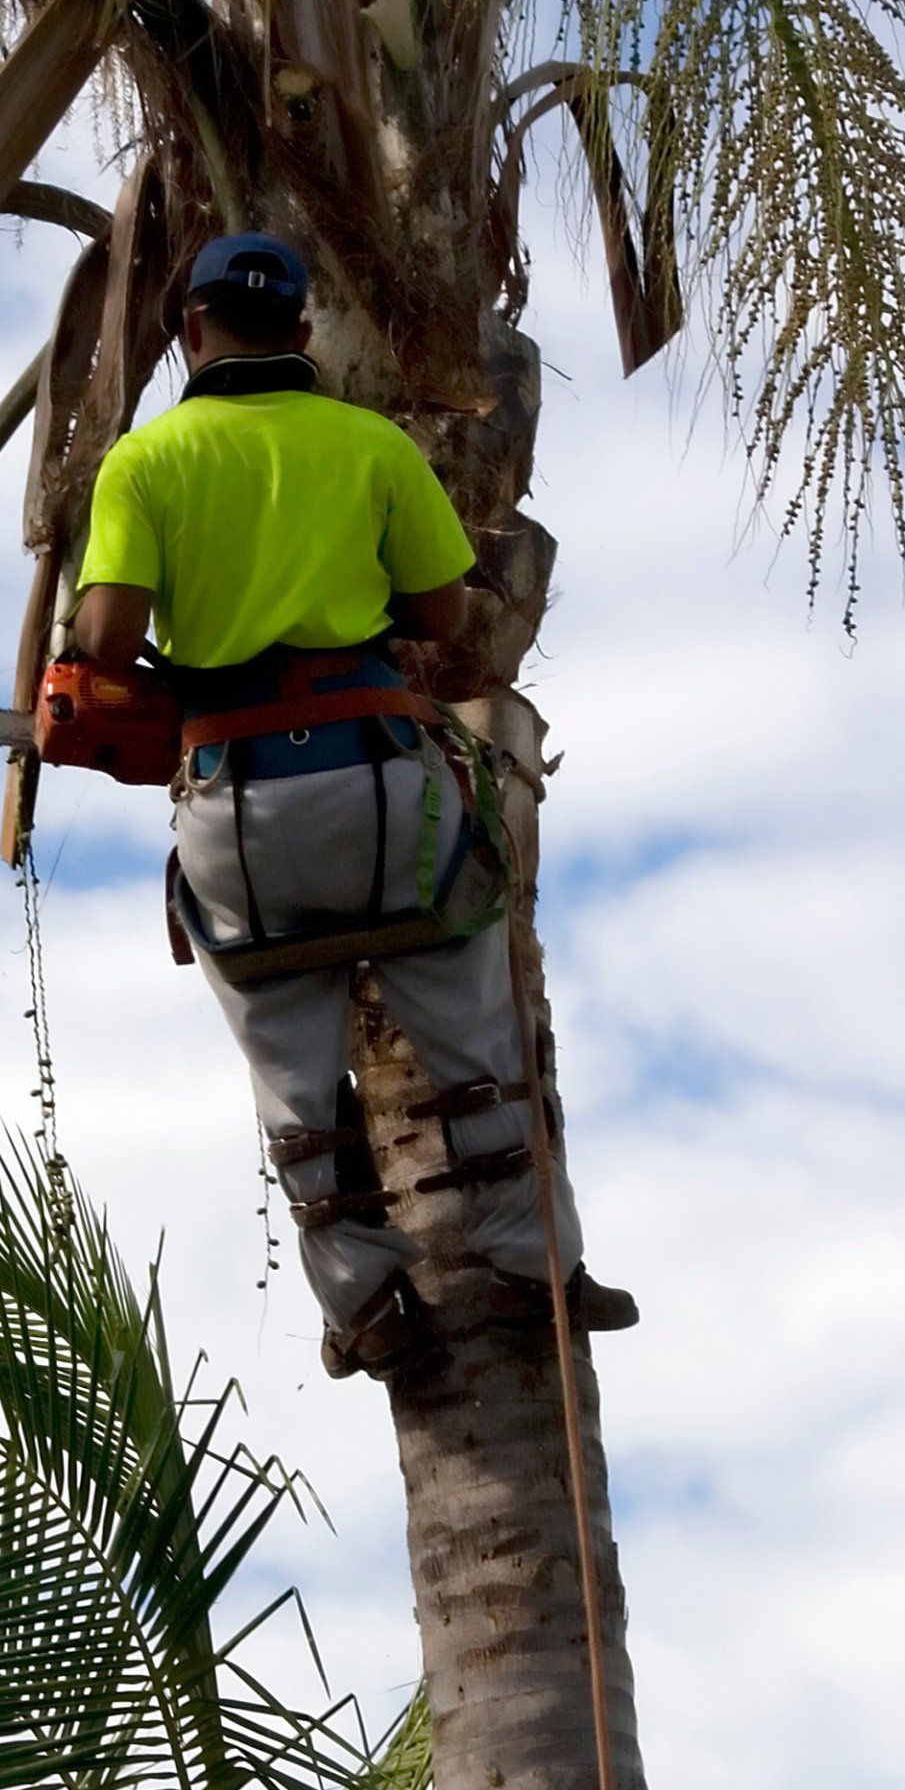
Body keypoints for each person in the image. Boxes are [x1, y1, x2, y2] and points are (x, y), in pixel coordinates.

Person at [73, 231, 636, 1380]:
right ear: (299, 332)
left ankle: (372, 1304)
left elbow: (106, 642)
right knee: (474, 1032)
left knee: (294, 1076)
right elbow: (436, 612)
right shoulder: (369, 442)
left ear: (193, 332)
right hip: (384, 786)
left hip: (241, 810)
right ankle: (533, 1271)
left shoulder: (146, 462)